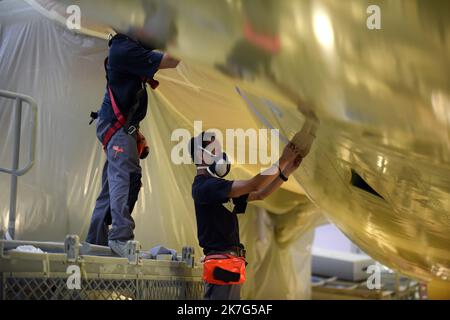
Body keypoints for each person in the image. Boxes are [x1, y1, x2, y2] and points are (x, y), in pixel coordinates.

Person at [86, 32, 179, 257]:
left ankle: (95, 244)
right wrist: (182, 33)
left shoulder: (126, 48)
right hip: (117, 126)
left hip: (119, 126)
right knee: (125, 177)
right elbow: (173, 60)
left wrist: (134, 131)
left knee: (113, 183)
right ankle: (120, 236)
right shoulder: (125, 49)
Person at [188, 131, 303, 300]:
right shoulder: (206, 187)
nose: (220, 155)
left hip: (230, 263)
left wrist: (286, 173)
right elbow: (254, 185)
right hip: (222, 264)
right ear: (200, 155)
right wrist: (283, 160)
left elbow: (260, 194)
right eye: (214, 150)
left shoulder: (217, 188)